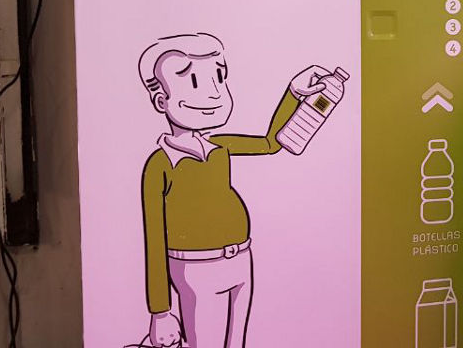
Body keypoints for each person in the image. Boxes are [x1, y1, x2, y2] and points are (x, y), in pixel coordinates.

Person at [136, 32, 336, 348]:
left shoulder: (219, 146)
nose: (214, 93)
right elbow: (154, 239)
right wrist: (160, 312)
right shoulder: (160, 164)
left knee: (237, 342)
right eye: (194, 83)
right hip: (195, 268)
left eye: (219, 77)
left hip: (241, 258)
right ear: (162, 101)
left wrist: (294, 92)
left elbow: (271, 143)